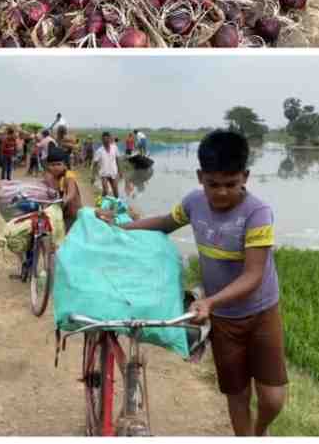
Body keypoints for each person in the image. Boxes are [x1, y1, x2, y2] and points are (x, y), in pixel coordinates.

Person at [96, 130, 286, 436]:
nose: (222, 192)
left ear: (245, 177)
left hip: (261, 314)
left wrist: (209, 302)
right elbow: (164, 222)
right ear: (200, 177)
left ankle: (260, 430)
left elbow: (253, 276)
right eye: (213, 184)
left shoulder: (257, 213)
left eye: (231, 184)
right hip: (224, 321)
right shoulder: (195, 203)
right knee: (237, 395)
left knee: (273, 399)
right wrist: (123, 228)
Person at [40, 146, 82, 231]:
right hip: (61, 213)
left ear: (65, 165)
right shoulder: (51, 177)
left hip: (73, 214)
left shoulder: (69, 176)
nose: (56, 167)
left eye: (59, 164)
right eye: (52, 165)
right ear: (47, 166)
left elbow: (72, 191)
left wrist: (66, 199)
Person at [92, 132, 122, 200]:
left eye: (107, 140)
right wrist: (93, 176)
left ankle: (116, 206)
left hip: (113, 172)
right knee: (105, 190)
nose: (105, 142)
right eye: (104, 140)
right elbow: (95, 164)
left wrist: (120, 171)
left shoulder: (114, 148)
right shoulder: (99, 151)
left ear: (110, 139)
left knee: (116, 193)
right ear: (102, 140)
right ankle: (100, 202)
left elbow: (117, 160)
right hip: (104, 173)